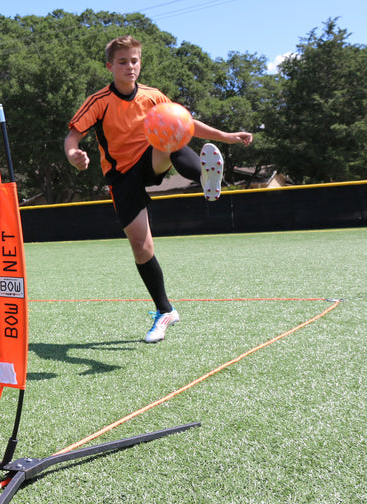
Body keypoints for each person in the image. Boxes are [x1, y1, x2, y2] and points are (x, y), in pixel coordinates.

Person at [64, 35, 253, 343]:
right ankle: (165, 311)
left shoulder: (153, 96)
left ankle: (205, 179)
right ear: (110, 66)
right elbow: (72, 137)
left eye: (134, 61)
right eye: (122, 62)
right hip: (121, 177)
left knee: (171, 126)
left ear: (140, 63)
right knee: (142, 248)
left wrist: (227, 136)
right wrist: (74, 155)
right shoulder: (99, 102)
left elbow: (187, 123)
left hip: (151, 157)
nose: (129, 67)